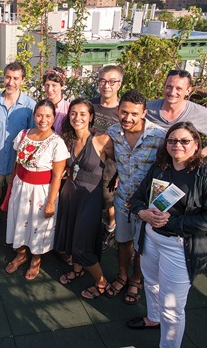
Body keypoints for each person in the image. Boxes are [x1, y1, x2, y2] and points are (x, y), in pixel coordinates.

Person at [127, 122, 207, 348]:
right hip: (152, 238)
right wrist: (142, 212)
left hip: (180, 246)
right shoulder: (160, 167)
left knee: (172, 307)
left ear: (196, 144)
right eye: (172, 140)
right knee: (151, 283)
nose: (178, 145)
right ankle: (153, 319)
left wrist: (172, 221)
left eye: (185, 141)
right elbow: (138, 198)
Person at [106, 89, 166, 304]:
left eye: (134, 113)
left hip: (147, 206)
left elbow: (166, 169)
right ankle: (122, 275)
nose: (128, 118)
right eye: (124, 112)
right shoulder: (113, 132)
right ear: (118, 109)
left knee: (143, 246)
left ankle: (136, 279)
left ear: (144, 113)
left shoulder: (160, 136)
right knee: (123, 241)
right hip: (122, 201)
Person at [54, 98, 114, 298]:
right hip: (70, 193)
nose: (77, 117)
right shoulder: (68, 139)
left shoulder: (102, 140)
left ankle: (101, 282)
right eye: (73, 113)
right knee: (72, 236)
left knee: (82, 243)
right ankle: (78, 270)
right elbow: (69, 165)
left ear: (91, 117)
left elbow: (122, 161)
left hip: (90, 197)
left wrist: (118, 180)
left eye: (82, 114)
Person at [5, 100, 70, 280]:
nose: (43, 119)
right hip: (21, 187)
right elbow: (17, 164)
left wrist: (51, 202)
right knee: (20, 220)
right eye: (39, 115)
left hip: (42, 191)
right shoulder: (23, 134)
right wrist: (12, 186)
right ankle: (21, 253)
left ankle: (36, 258)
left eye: (48, 116)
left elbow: (57, 176)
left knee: (38, 224)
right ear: (34, 116)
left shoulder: (57, 143)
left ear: (53, 117)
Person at [0, 62, 36, 252]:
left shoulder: (30, 106)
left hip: (18, 166)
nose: (10, 82)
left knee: (18, 206)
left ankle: (17, 239)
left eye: (15, 78)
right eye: (7, 77)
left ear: (23, 80)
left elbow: (31, 137)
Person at [145, 69, 207, 157]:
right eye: (169, 87)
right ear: (164, 86)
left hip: (179, 167)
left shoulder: (197, 112)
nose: (172, 92)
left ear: (188, 91)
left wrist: (200, 155)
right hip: (148, 165)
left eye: (179, 88)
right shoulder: (149, 107)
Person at [89, 65, 122, 252]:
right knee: (91, 201)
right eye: (102, 81)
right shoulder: (90, 104)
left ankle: (110, 230)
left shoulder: (123, 110)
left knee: (109, 202)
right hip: (89, 165)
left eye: (111, 81)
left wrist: (121, 172)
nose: (106, 85)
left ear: (119, 84)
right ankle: (94, 230)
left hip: (111, 167)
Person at [42, 67, 70, 133]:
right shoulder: (39, 107)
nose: (49, 89)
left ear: (62, 86)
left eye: (54, 85)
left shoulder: (69, 108)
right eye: (47, 85)